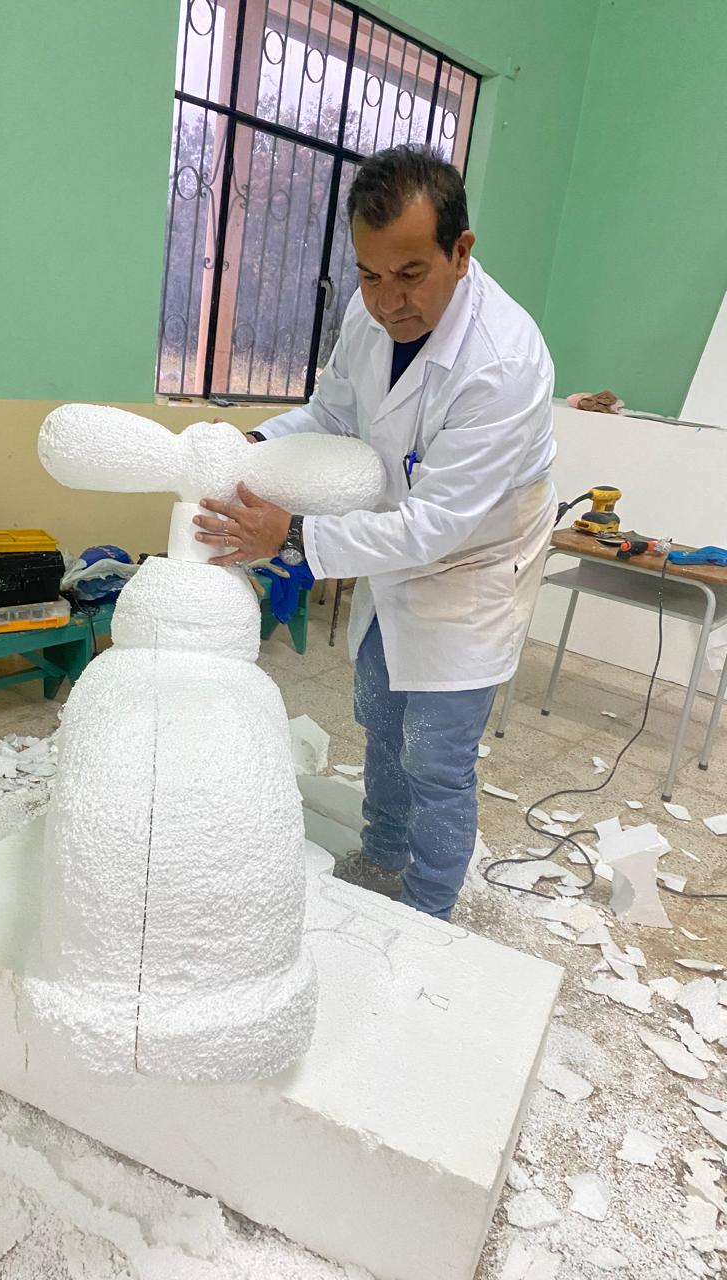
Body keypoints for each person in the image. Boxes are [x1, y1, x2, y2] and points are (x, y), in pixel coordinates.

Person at [193, 144, 556, 921]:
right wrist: (252, 447)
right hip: (394, 538)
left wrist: (293, 538)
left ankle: (427, 909)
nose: (389, 301)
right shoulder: (369, 313)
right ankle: (383, 852)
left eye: (411, 274)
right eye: (369, 274)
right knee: (381, 717)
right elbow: (330, 416)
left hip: (474, 560)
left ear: (461, 251)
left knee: (436, 752)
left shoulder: (504, 363)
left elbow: (439, 525)